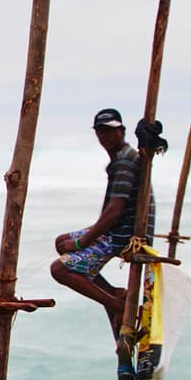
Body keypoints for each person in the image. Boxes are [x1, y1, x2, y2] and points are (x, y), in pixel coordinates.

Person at [51, 108, 156, 340]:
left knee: (59, 269)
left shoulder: (125, 162)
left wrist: (81, 243)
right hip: (120, 227)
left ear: (122, 131)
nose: (104, 136)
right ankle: (112, 293)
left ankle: (116, 303)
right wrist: (79, 240)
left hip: (125, 235)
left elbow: (114, 211)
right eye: (100, 131)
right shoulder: (122, 158)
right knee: (61, 242)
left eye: (109, 131)